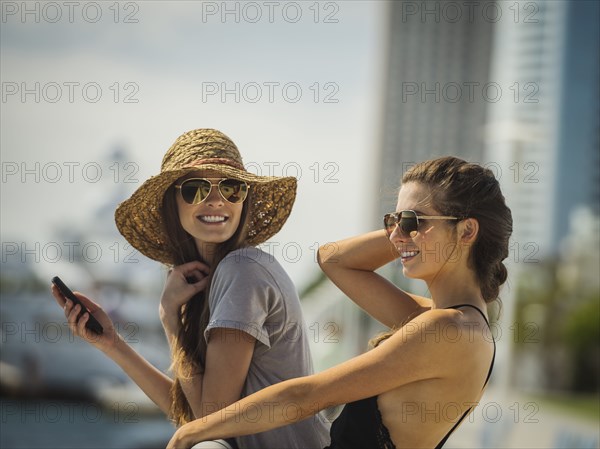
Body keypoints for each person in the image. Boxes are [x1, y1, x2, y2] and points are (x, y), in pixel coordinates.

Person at [165, 156, 513, 449]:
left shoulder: (445, 329)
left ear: (467, 232)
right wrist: (413, 233)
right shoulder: (447, 322)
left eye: (412, 221)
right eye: (392, 221)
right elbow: (332, 259)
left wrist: (194, 431)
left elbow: (308, 396)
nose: (395, 234)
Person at [50, 129, 330, 449]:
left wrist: (169, 318)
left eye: (230, 187)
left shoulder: (242, 271)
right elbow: (190, 416)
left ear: (243, 199)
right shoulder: (208, 282)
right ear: (173, 203)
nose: (215, 200)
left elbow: (209, 421)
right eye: (195, 189)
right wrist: (113, 344)